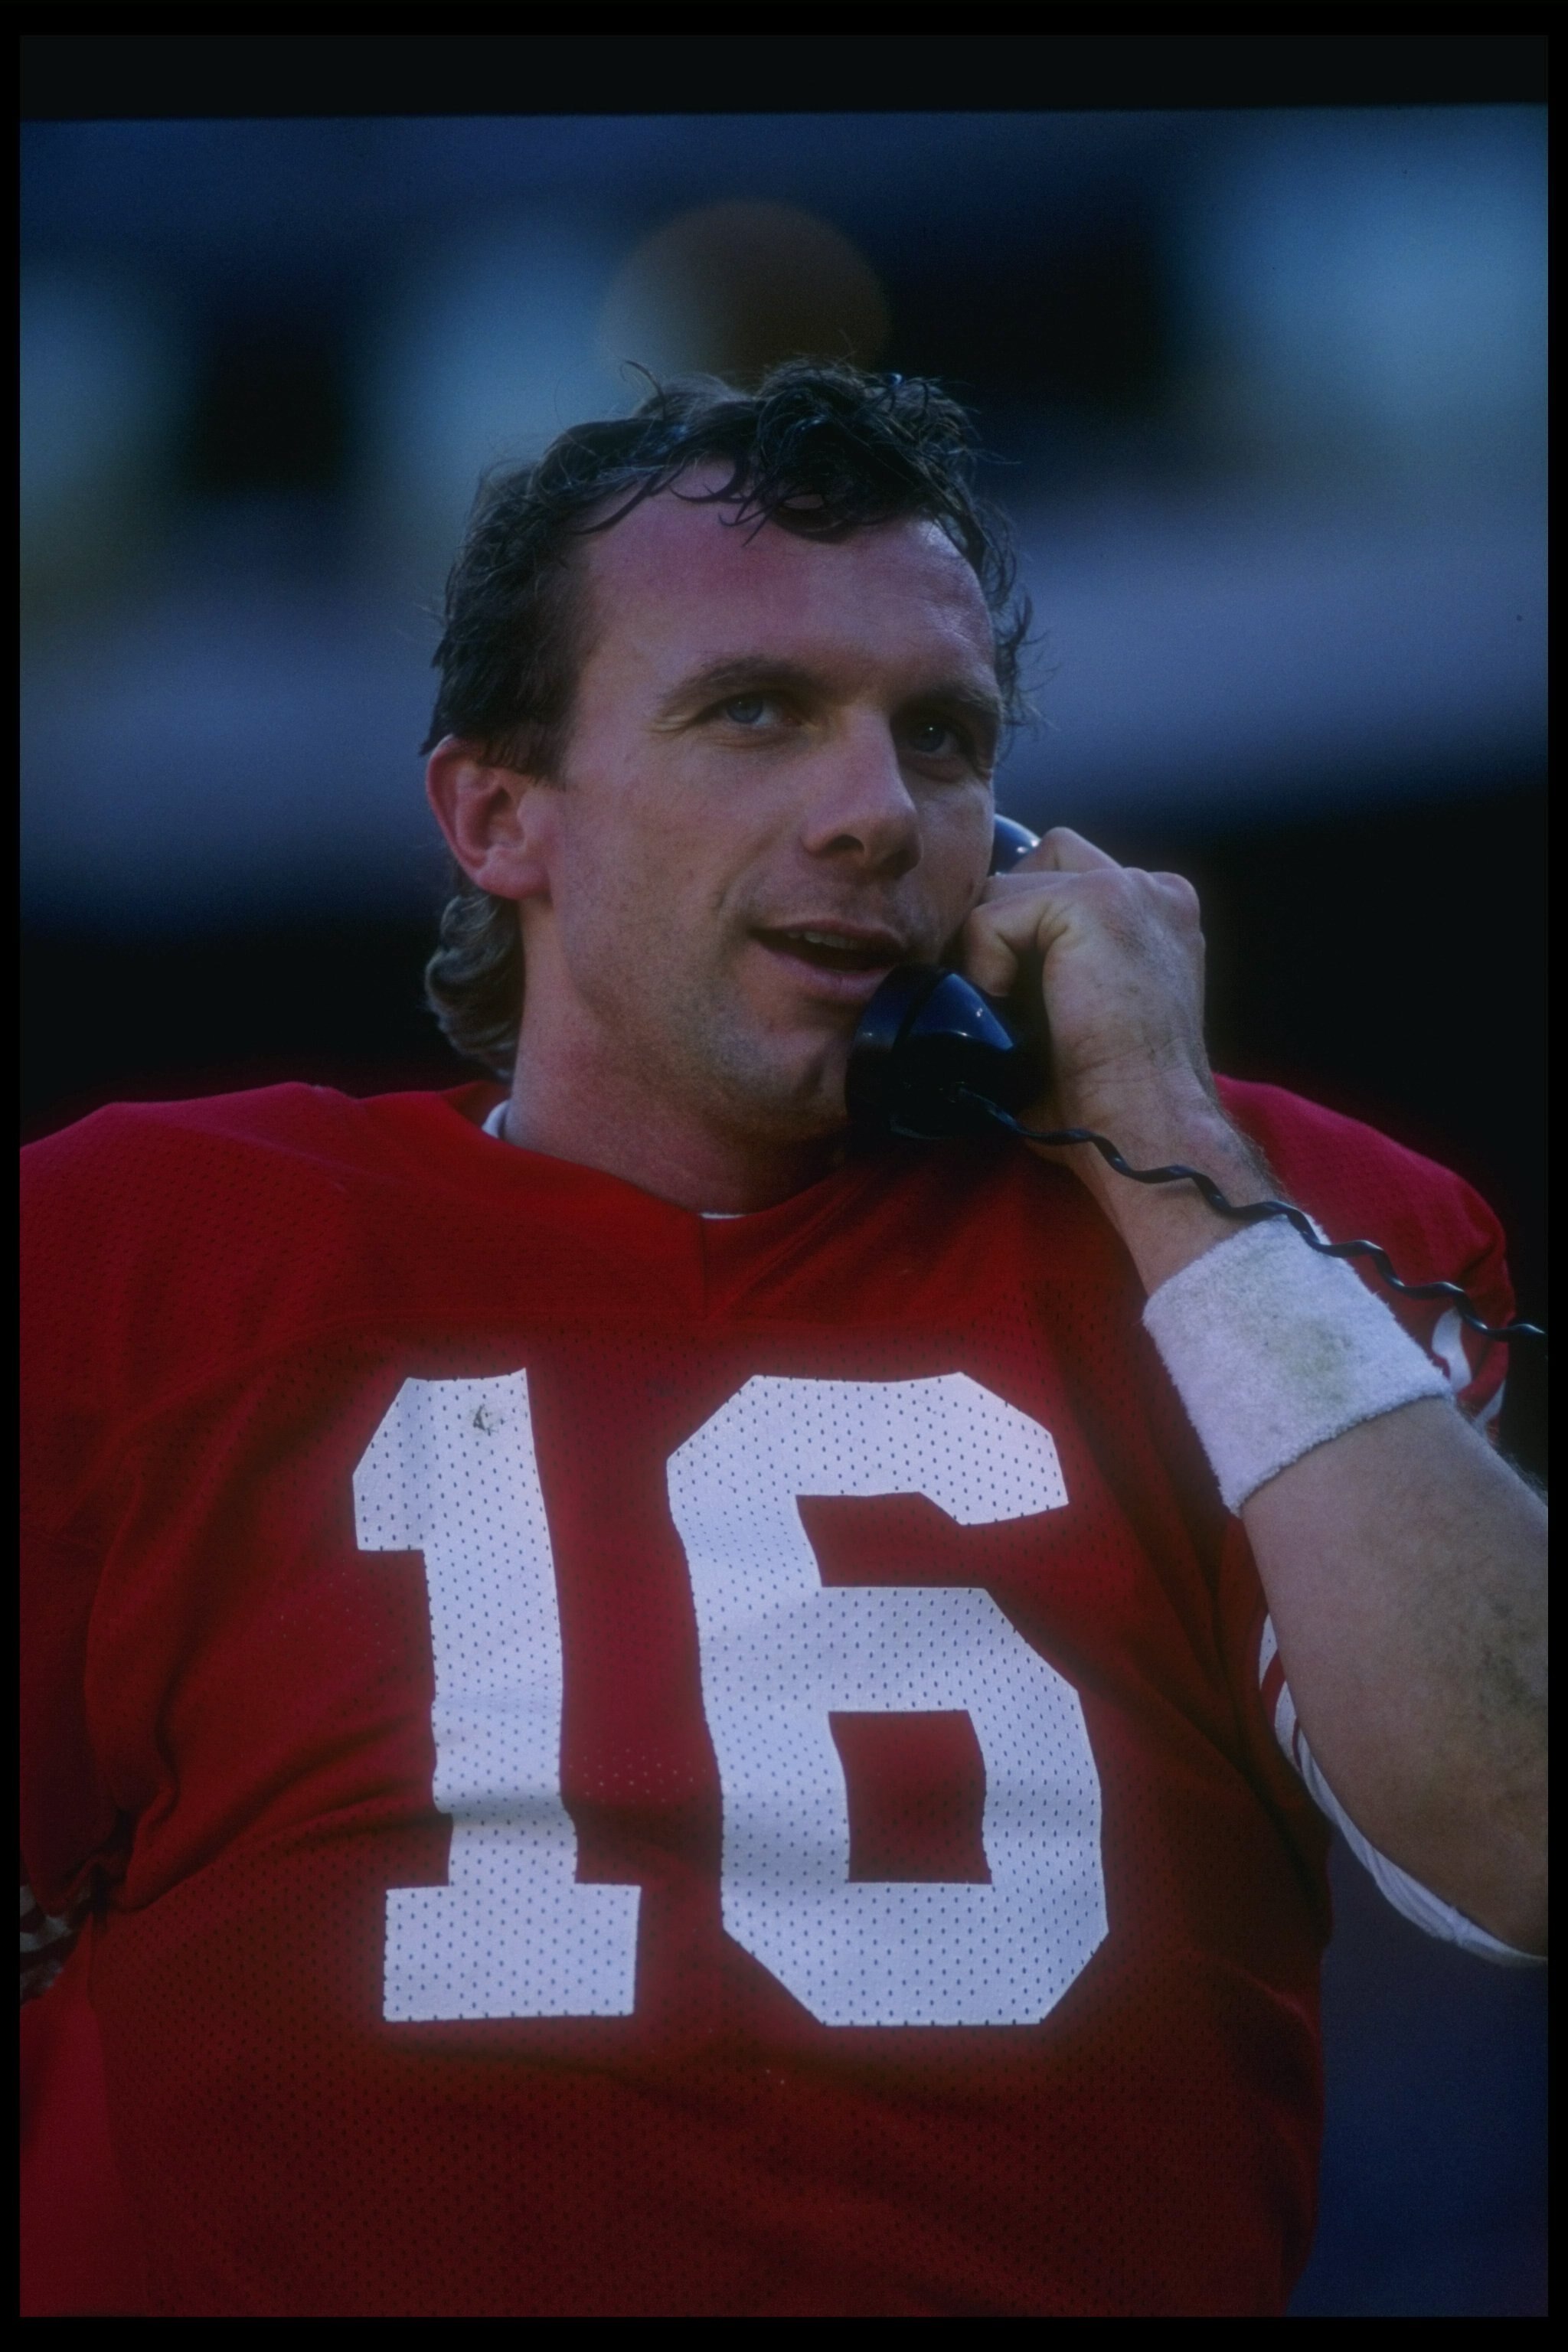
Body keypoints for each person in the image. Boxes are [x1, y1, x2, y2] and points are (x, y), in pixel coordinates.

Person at [20, 363, 1545, 2319]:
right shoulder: (142, 1259)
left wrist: (1163, 1145)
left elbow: (1518, 1830)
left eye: (940, 739)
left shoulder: (1254, 1238)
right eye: (755, 714)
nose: (869, 813)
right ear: (499, 811)